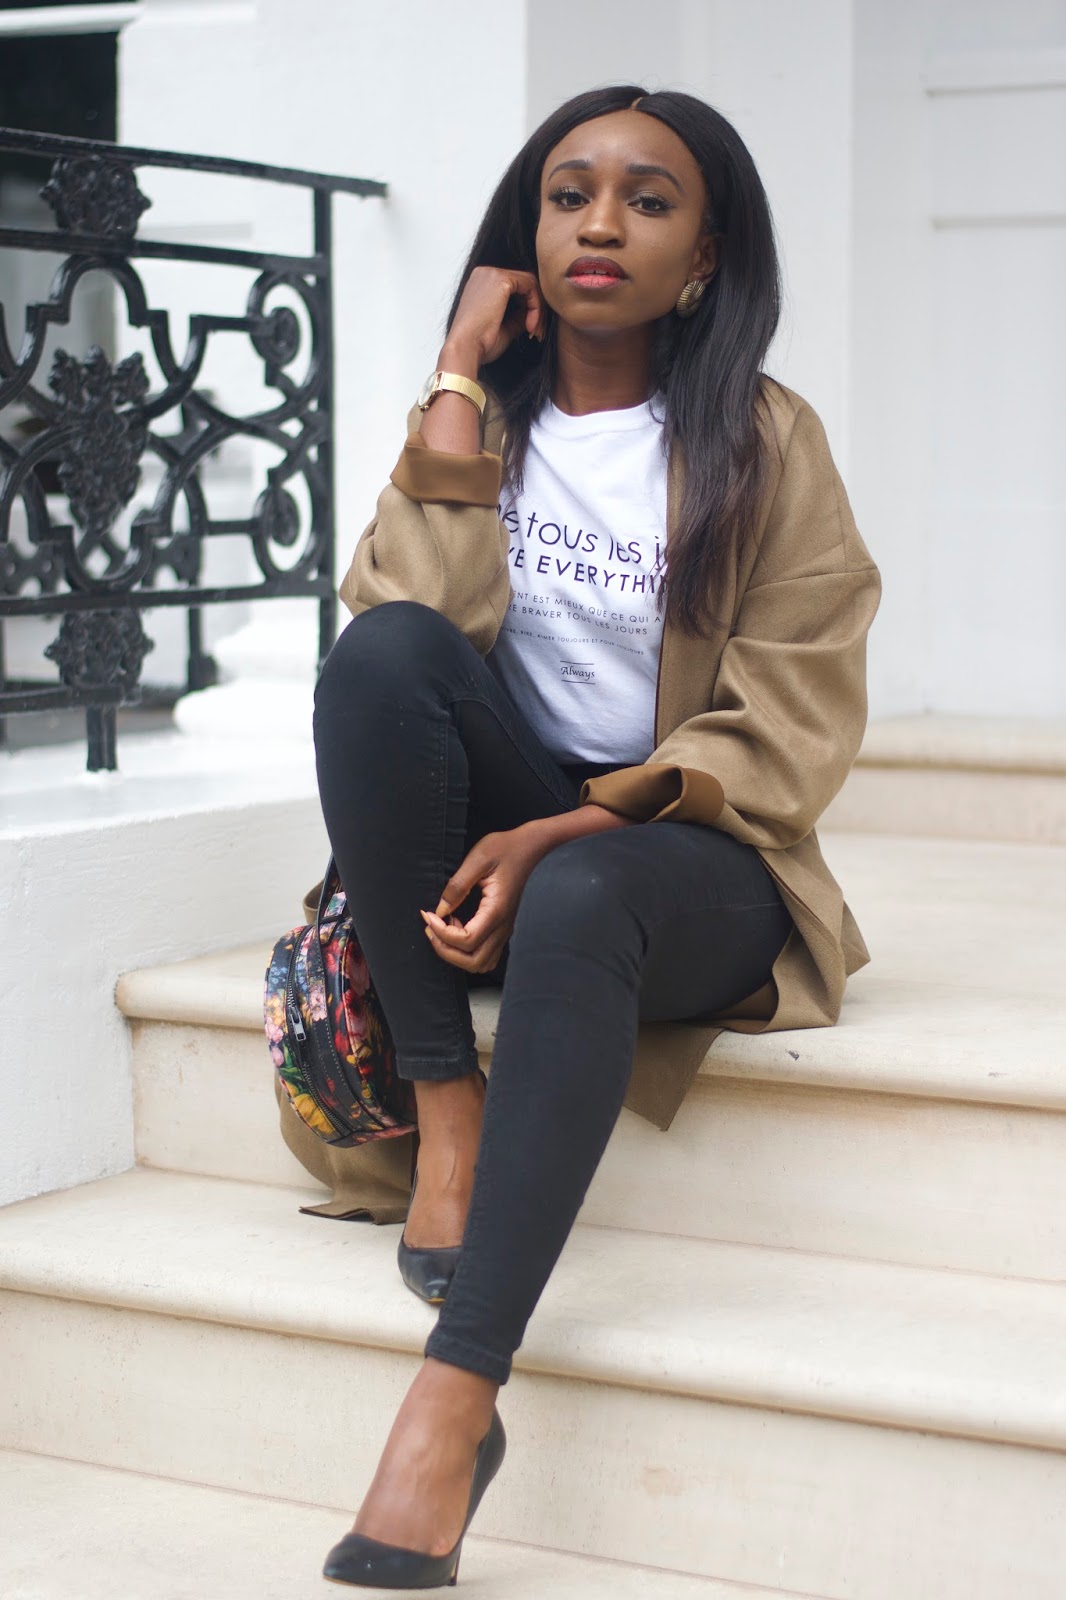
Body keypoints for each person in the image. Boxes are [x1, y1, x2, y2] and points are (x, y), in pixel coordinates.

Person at [312, 83, 881, 1589]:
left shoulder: (766, 441)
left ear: (706, 253)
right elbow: (403, 631)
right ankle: (447, 1107)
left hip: (691, 846)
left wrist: (569, 828)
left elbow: (793, 723)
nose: (600, 224)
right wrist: (454, 372)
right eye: (570, 195)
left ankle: (454, 1397)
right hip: (519, 812)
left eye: (648, 198)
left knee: (581, 897)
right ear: (531, 231)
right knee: (378, 659)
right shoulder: (480, 422)